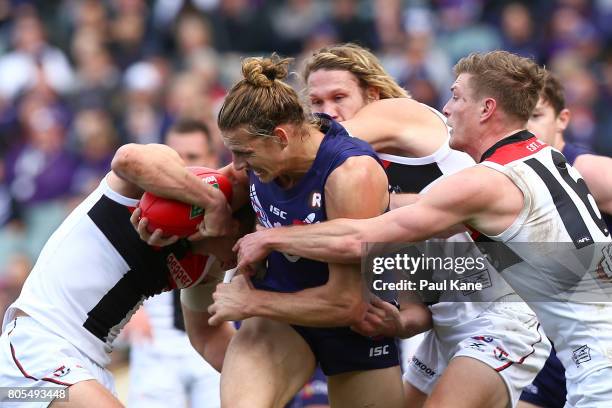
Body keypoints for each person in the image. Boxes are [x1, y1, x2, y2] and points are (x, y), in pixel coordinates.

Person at [233, 51, 612, 408]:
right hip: (476, 325)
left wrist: (269, 236)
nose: (445, 108)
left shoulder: (484, 180)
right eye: (315, 101)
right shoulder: (540, 157)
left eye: (456, 97)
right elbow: (424, 254)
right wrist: (402, 318)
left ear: (487, 108)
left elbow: (360, 239)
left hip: (580, 356)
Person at [294, 43, 548, 408]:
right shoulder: (351, 178)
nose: (327, 112)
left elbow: (301, 151)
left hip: (502, 315)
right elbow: (417, 309)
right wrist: (396, 324)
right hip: (445, 330)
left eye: (339, 97)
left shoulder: (400, 116)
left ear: (373, 95)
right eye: (315, 103)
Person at [176, 54, 408, 408]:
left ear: (281, 137)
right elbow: (171, 181)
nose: (237, 166)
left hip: (355, 325)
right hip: (279, 321)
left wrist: (251, 301)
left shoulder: (351, 174)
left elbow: (347, 304)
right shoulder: (256, 163)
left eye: (243, 153)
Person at [0, 119, 237, 407]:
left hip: (85, 366)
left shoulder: (206, 264)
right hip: (39, 348)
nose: (241, 259)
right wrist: (213, 204)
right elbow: (126, 158)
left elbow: (209, 339)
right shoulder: (147, 184)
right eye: (247, 239)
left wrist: (281, 384)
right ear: (233, 221)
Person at [518, 72, 612, 408]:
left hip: (594, 333)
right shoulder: (507, 173)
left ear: (563, 120)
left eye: (536, 115)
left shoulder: (586, 168)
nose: (526, 126)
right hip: (542, 332)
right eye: (519, 115)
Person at [123, 119, 222, 408]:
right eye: (173, 157)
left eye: (192, 157)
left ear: (212, 159)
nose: (181, 166)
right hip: (157, 338)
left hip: (214, 331)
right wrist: (132, 311)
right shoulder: (141, 204)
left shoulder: (231, 207)